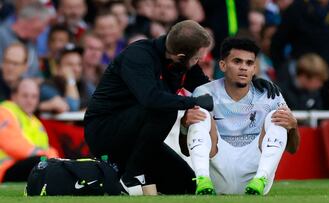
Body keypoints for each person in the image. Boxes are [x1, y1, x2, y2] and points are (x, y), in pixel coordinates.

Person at [84, 20, 280, 196]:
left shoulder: (182, 63)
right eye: (196, 59)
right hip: (105, 130)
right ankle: (132, 177)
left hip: (138, 138)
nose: (198, 63)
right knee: (165, 109)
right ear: (180, 56)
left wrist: (249, 86)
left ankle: (135, 172)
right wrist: (191, 103)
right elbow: (150, 99)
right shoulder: (138, 56)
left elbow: (209, 92)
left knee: (187, 184)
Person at [180, 37, 300, 195]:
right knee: (200, 114)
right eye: (237, 62)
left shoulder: (269, 95)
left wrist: (294, 126)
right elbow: (186, 150)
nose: (243, 67)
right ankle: (202, 179)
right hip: (217, 172)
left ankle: (261, 178)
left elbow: (293, 149)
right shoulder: (204, 92)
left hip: (254, 173)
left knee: (276, 117)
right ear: (222, 65)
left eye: (249, 63)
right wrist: (184, 125)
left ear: (255, 68)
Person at [0, 79, 58, 183]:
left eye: (34, 96)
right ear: (14, 96)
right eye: (25, 96)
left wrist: (52, 159)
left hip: (26, 165)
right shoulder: (4, 111)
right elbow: (13, 145)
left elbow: (47, 148)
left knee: (50, 163)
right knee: (40, 161)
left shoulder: (36, 122)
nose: (30, 100)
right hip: (5, 169)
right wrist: (44, 155)